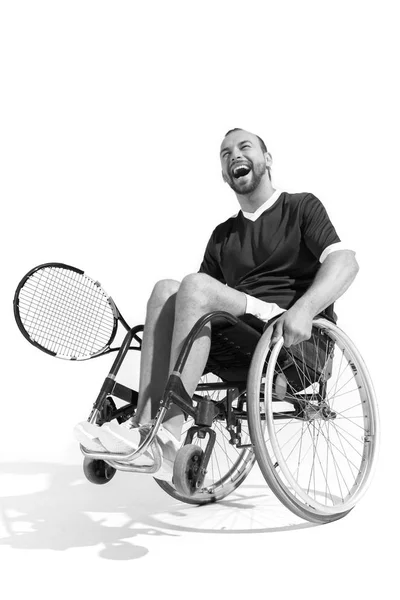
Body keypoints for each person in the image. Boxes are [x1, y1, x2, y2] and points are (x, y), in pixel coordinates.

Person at [74, 127, 359, 479]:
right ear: (224, 174)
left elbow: (345, 261)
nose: (234, 155)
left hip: (289, 338)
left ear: (267, 160)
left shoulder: (299, 206)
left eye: (245, 147)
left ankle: (167, 437)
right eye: (225, 154)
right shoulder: (224, 235)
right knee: (165, 290)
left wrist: (304, 309)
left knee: (194, 285)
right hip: (242, 341)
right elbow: (190, 307)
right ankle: (143, 427)